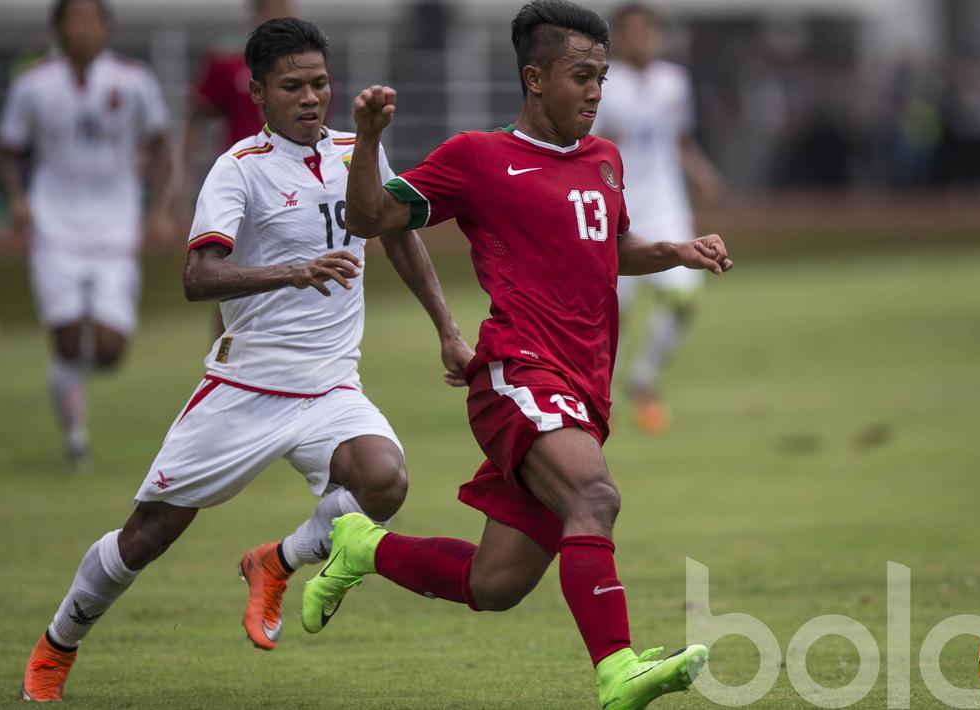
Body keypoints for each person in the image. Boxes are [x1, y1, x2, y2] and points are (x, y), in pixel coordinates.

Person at [19, 17, 473, 702]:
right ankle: (57, 645)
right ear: (258, 92)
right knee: (147, 536)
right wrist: (288, 272)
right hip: (245, 384)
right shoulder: (238, 169)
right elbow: (196, 277)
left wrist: (445, 325)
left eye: (319, 82)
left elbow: (396, 235)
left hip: (329, 386)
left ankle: (276, 562)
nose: (310, 96)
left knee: (383, 482)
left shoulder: (358, 150)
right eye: (292, 86)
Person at [301, 2, 732, 708]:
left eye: (600, 76)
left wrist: (674, 250)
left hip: (583, 388)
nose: (595, 91)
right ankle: (616, 670)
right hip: (517, 373)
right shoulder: (477, 158)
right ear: (534, 79)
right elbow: (369, 219)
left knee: (493, 585)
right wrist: (372, 142)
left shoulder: (605, 160)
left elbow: (608, 248)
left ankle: (358, 547)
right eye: (580, 76)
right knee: (594, 497)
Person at [0, 0, 175, 466]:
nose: (84, 28)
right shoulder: (33, 83)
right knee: (69, 337)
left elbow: (159, 146)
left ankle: (64, 377)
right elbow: (8, 149)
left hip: (116, 224)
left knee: (111, 350)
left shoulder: (133, 80)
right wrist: (17, 196)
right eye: (74, 19)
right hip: (54, 224)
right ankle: (75, 436)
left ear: (106, 27)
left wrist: (158, 209)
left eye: (93, 19)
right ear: (57, 28)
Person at [592, 2, 724, 434]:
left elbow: (681, 138)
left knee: (684, 298)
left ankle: (643, 379)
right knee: (613, 315)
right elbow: (591, 147)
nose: (640, 39)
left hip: (668, 209)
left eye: (646, 31)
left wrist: (700, 171)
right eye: (630, 32)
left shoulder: (674, 81)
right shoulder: (604, 85)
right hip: (623, 212)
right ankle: (597, 397)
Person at [178, 0, 298, 339]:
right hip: (242, 182)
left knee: (295, 261)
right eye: (274, 5)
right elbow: (195, 119)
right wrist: (183, 177)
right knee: (230, 273)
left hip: (290, 181)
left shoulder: (307, 61)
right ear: (256, 10)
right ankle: (224, 359)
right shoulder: (227, 58)